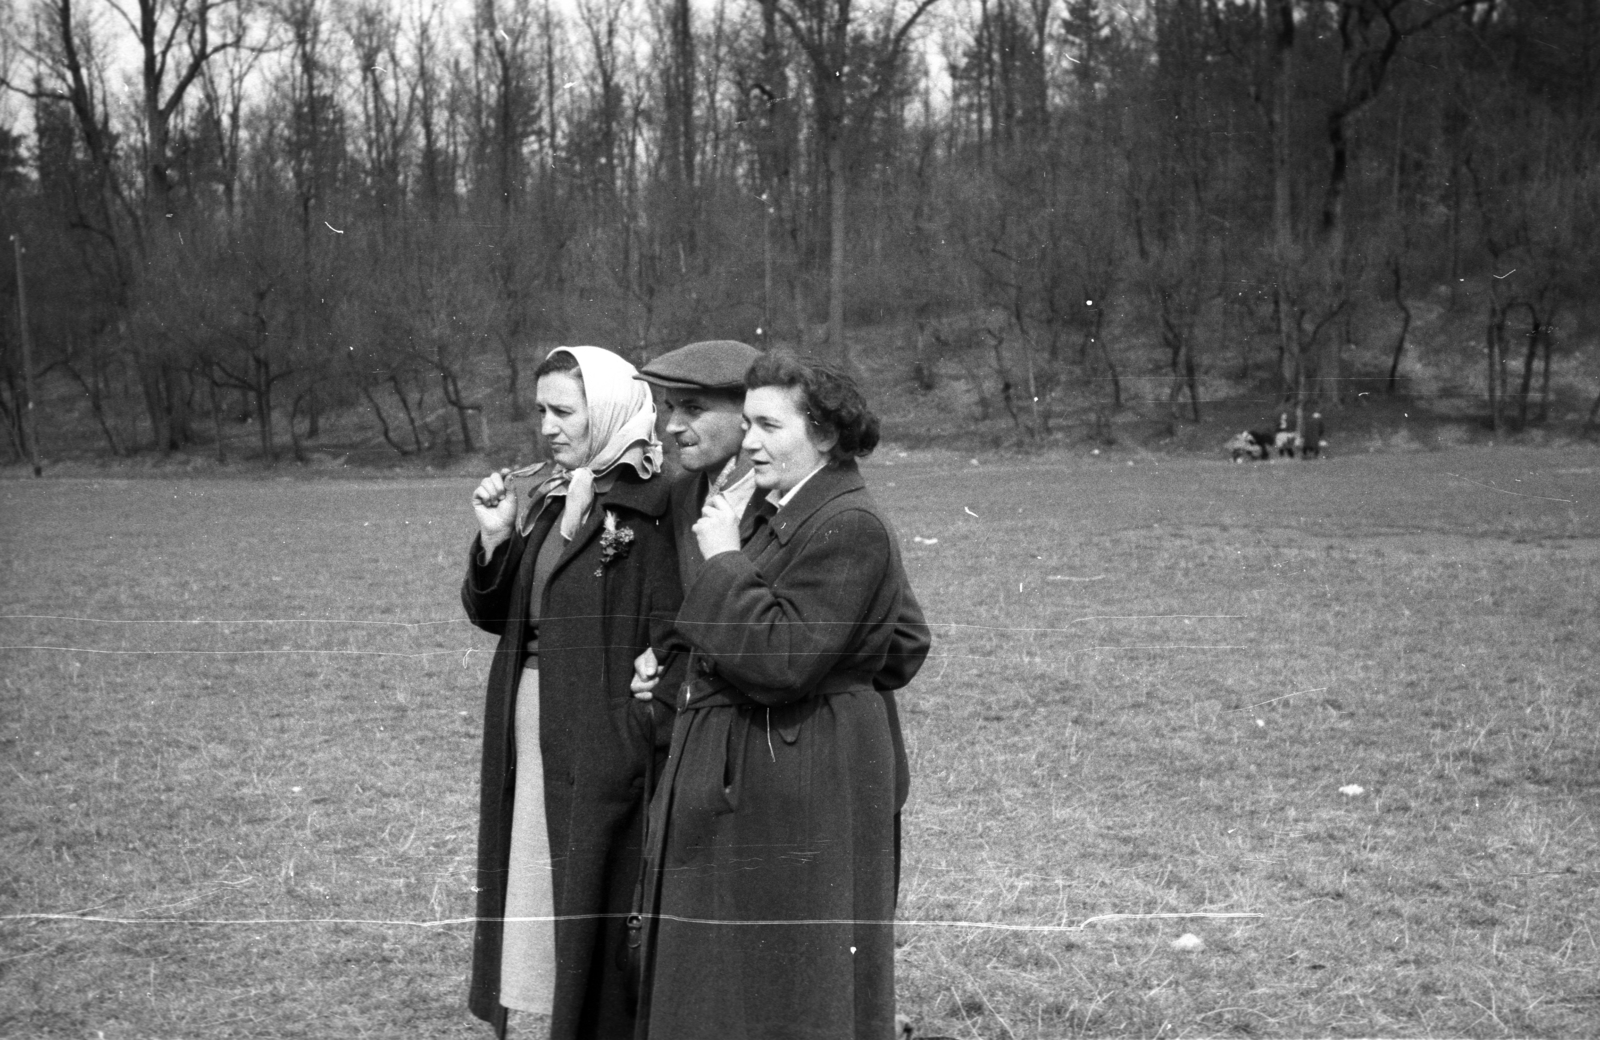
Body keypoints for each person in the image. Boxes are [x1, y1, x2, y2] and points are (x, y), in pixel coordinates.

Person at [635, 353, 932, 1040]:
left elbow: (781, 657)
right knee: (764, 969)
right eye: (746, 424)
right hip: (790, 758)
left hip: (796, 768)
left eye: (769, 425)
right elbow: (902, 638)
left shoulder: (846, 522)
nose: (750, 442)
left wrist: (723, 560)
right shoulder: (790, 506)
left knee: (788, 975)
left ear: (824, 435)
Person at [462, 346, 683, 1040]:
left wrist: (636, 728)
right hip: (532, 725)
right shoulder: (557, 494)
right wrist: (497, 541)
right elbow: (510, 617)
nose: (548, 427)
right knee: (539, 886)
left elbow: (673, 627)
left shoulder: (651, 507)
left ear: (610, 410)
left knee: (593, 897)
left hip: (597, 737)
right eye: (541, 411)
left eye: (565, 410)